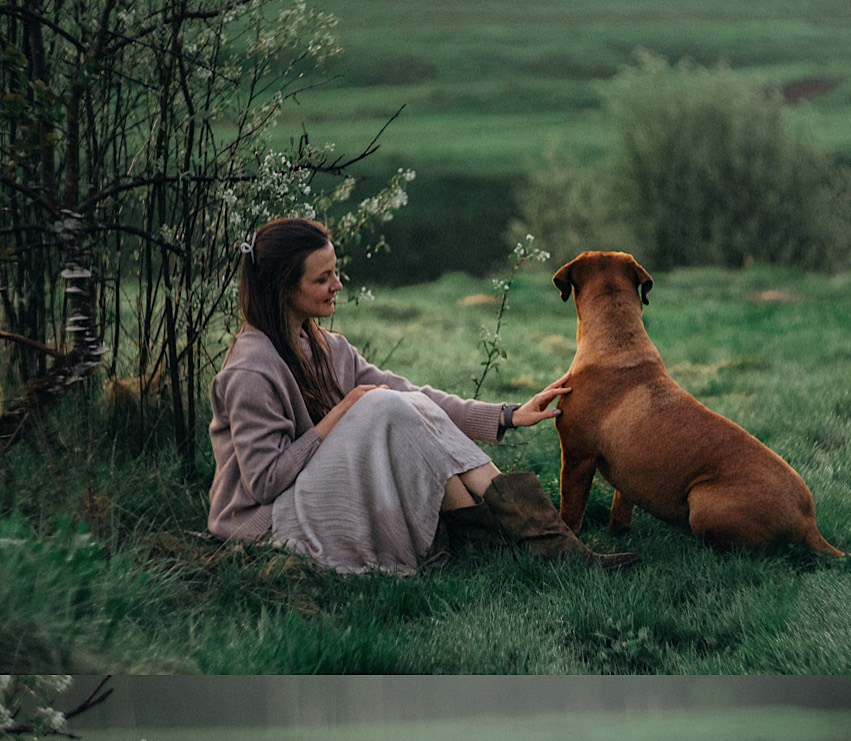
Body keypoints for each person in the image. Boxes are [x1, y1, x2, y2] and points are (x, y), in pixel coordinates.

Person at [207, 218, 636, 574]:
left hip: (313, 494)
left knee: (403, 404)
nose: (338, 284)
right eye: (323, 278)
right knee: (381, 405)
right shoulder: (251, 370)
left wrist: (506, 415)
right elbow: (263, 482)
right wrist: (341, 414)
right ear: (284, 287)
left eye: (336, 271)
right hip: (270, 522)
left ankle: (535, 545)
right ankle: (532, 545)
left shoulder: (325, 347)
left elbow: (414, 395)